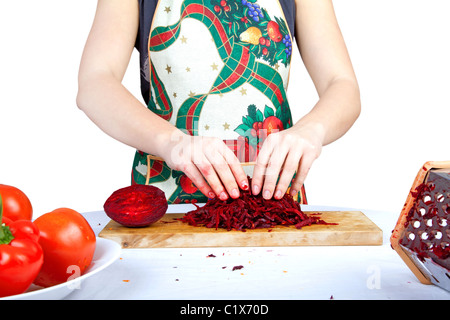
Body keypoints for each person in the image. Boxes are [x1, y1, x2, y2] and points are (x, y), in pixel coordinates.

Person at [76, 0, 360, 204]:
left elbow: (342, 84)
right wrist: (172, 142)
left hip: (274, 203)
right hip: (166, 209)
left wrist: (312, 130)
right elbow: (96, 83)